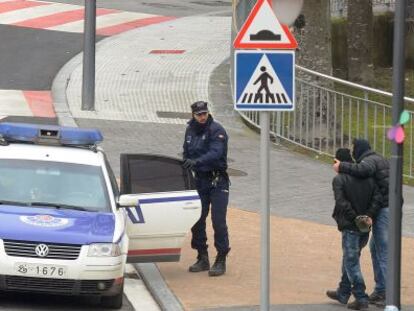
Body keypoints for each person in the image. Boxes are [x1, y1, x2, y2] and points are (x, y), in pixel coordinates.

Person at [333, 139, 389, 307]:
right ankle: (344, 291)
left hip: (358, 222)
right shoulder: (374, 166)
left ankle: (370, 295)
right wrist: (368, 216)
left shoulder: (368, 162)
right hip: (369, 220)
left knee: (371, 253)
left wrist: (356, 217)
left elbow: (342, 202)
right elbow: (377, 196)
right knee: (362, 253)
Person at [182, 100, 230, 277]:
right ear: (193, 115)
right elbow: (186, 152)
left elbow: (215, 153)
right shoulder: (190, 130)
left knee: (218, 221)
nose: (202, 117)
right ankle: (202, 256)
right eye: (199, 114)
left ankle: (221, 258)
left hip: (217, 182)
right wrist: (186, 164)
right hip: (199, 181)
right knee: (197, 219)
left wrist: (197, 162)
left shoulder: (217, 130)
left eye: (204, 113)